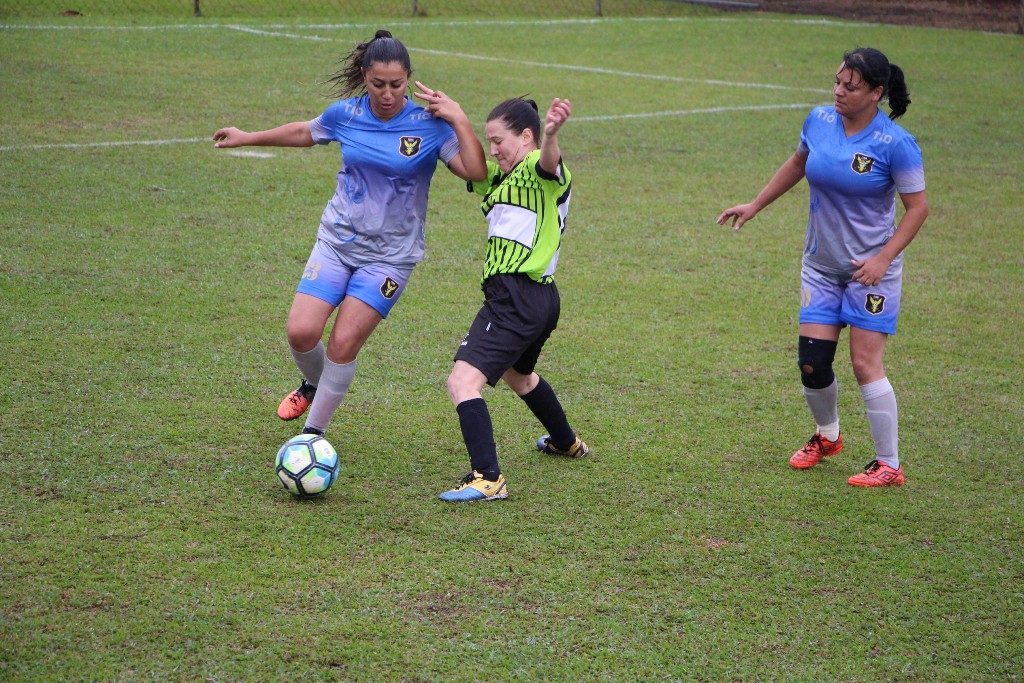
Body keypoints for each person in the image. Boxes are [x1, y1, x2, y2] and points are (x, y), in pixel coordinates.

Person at [212, 30, 486, 439]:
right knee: (301, 333)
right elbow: (306, 132)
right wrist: (248, 137)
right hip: (337, 243)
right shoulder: (347, 114)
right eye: (378, 84)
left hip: (391, 257)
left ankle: (312, 434)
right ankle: (314, 384)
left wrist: (459, 118)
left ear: (409, 78)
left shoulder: (429, 126)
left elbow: (476, 172)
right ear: (364, 75)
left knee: (342, 344)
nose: (388, 93)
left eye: (397, 84)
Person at [717, 47, 928, 487]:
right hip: (820, 265)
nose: (838, 92)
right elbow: (798, 163)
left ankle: (889, 463)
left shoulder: (896, 144)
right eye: (836, 82)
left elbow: (917, 209)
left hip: (871, 272)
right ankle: (828, 436)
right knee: (812, 364)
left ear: (876, 93)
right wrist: (756, 204)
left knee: (864, 364)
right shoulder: (818, 121)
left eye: (850, 87)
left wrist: (882, 258)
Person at [418, 95, 588, 502]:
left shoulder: (535, 168)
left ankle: (487, 477)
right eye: (489, 141)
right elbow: (467, 163)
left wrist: (551, 135)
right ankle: (566, 442)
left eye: (499, 140)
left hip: (515, 297)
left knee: (462, 381)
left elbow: (549, 163)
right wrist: (453, 118)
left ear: (525, 136)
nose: (493, 149)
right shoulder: (501, 176)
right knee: (519, 375)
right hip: (540, 298)